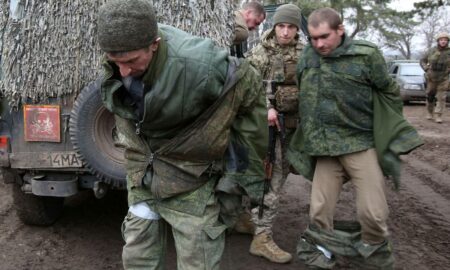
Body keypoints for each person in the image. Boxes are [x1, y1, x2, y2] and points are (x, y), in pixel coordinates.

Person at [96, 1, 268, 269]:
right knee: (137, 260)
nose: (124, 72)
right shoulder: (122, 47)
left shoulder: (201, 66)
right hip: (144, 178)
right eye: (115, 63)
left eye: (131, 61)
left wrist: (239, 177)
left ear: (154, 44)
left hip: (192, 182)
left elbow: (249, 89)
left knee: (197, 262)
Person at [287, 7, 423, 269]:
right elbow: (304, 91)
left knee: (373, 213)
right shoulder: (308, 56)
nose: (319, 44)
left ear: (340, 30)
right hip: (325, 147)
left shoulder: (366, 55)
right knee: (319, 210)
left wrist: (387, 128)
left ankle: (373, 255)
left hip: (359, 143)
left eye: (325, 36)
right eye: (313, 38)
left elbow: (388, 91)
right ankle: (322, 251)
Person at [244, 3, 305, 264]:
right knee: (273, 180)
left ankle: (247, 218)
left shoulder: (305, 52)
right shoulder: (261, 52)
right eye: (281, 26)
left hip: (295, 127)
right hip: (269, 129)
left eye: (291, 26)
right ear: (274, 26)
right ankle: (262, 237)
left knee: (280, 175)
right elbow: (247, 86)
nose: (285, 32)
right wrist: (267, 107)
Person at [420, 32, 450, 123]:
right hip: (431, 78)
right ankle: (430, 112)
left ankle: (438, 115)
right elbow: (422, 61)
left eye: (445, 40)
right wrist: (426, 69)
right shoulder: (431, 51)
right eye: (441, 40)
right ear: (438, 41)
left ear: (447, 41)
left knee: (441, 98)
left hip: (444, 78)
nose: (443, 42)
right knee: (430, 96)